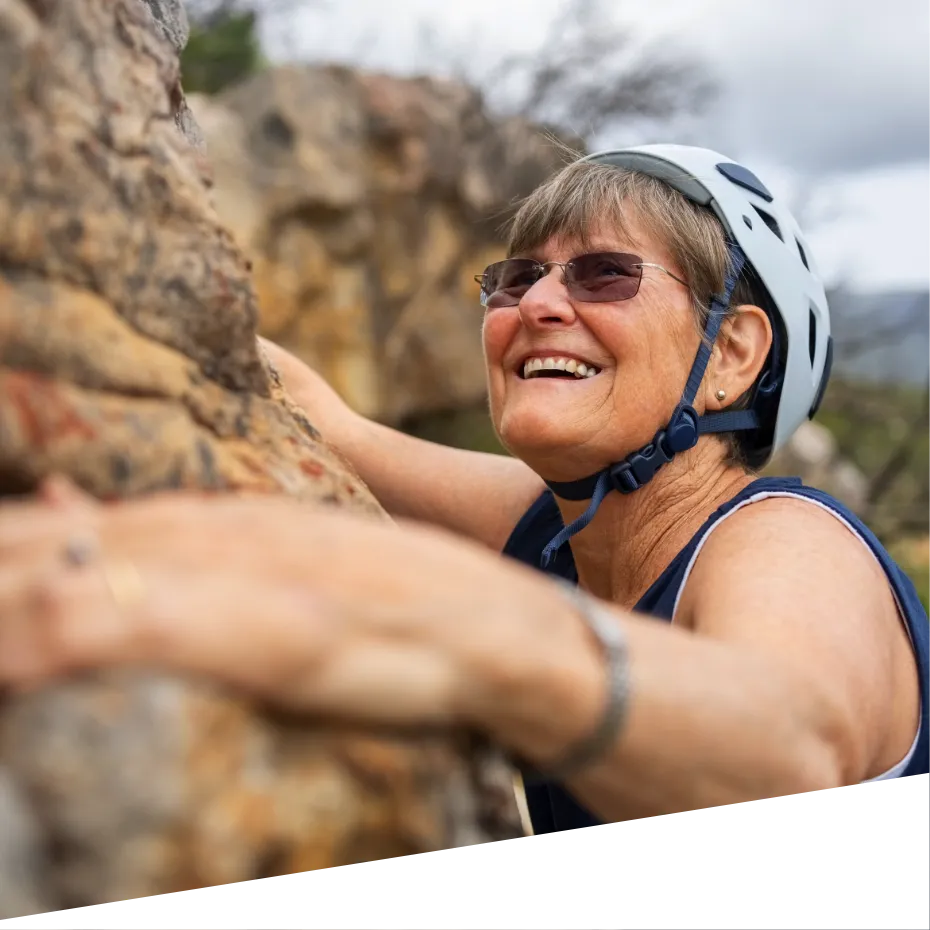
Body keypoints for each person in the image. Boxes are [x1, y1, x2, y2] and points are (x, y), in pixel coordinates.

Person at [1, 144, 927, 840]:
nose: (537, 304)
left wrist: (461, 623)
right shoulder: (557, 529)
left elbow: (791, 751)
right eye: (517, 277)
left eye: (606, 272)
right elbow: (326, 424)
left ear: (730, 355)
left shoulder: (787, 540)